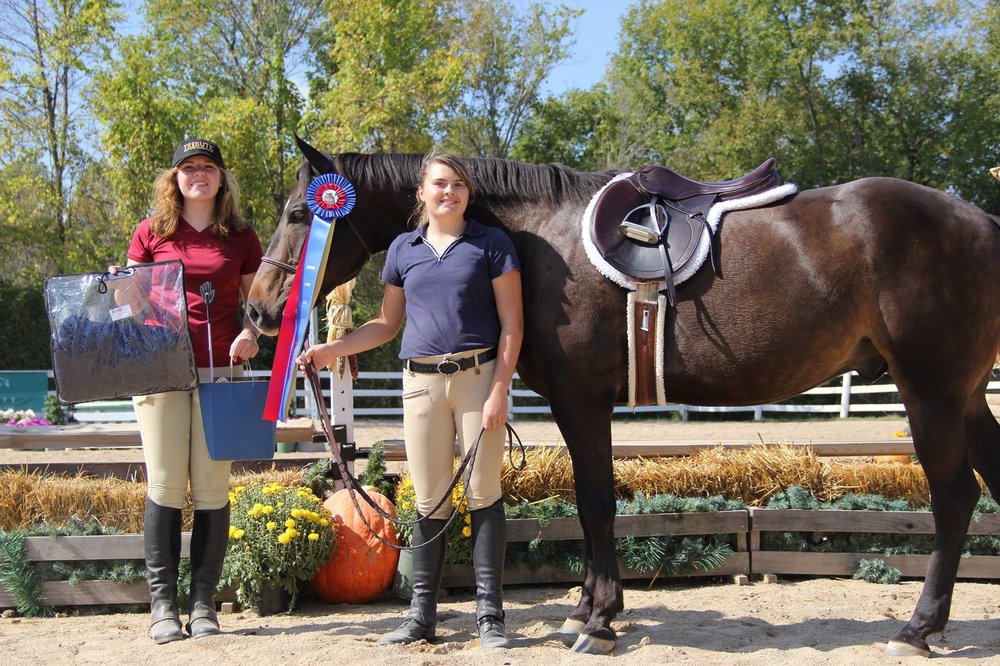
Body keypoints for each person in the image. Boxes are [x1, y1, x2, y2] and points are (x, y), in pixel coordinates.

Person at [297, 153, 523, 648]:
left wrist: (499, 389)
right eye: (440, 183)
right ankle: (422, 615)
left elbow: (512, 324)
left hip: (477, 378)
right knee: (428, 499)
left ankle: (490, 615)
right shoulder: (403, 249)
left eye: (458, 184)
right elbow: (386, 323)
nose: (449, 192)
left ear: (468, 193)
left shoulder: (491, 244)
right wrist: (331, 349)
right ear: (421, 193)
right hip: (420, 385)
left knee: (483, 493)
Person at [110, 138, 263, 643]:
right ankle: (162, 606)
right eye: (189, 167)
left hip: (220, 372)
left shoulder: (241, 236)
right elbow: (129, 308)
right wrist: (117, 286)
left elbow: (259, 306)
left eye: (209, 167)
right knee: (166, 484)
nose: (199, 174)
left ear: (222, 177)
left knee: (213, 488)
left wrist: (251, 333)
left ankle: (203, 606)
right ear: (174, 178)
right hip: (160, 372)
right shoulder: (150, 232)